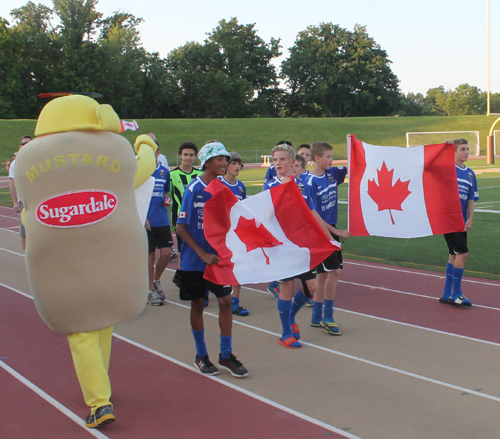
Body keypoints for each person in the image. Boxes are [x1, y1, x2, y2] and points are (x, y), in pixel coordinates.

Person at [176, 141, 248, 377]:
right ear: (207, 162)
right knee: (198, 304)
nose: (225, 163)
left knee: (226, 302)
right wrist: (202, 253)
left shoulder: (223, 189)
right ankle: (201, 355)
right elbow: (181, 227)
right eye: (220, 159)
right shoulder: (194, 188)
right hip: (195, 261)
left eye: (226, 159)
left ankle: (226, 355)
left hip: (218, 260)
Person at [263, 143, 331, 348]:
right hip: (282, 244)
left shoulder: (304, 185)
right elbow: (267, 215)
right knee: (286, 286)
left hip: (301, 243)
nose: (277, 163)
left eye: (282, 159)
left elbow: (312, 212)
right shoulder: (270, 185)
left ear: (293, 162)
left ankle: (291, 315)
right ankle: (285, 333)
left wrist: (328, 237)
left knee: (312, 287)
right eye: (275, 160)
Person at [304, 141, 350, 336]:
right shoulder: (310, 182)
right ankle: (328, 316)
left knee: (324, 274)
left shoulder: (332, 174)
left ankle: (316, 315)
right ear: (317, 158)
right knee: (335, 272)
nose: (332, 160)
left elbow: (354, 167)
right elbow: (313, 215)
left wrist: (354, 146)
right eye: (328, 157)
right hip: (320, 232)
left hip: (331, 229)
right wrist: (335, 233)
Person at [439, 139, 479, 306]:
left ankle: (447, 294)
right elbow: (431, 165)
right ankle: (457, 294)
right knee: (463, 254)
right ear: (454, 152)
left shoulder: (470, 173)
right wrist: (443, 148)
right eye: (462, 149)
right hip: (448, 218)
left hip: (461, 220)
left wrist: (470, 218)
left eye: (468, 149)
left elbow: (471, 198)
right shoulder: (447, 169)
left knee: (454, 255)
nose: (466, 152)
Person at [219, 152, 249, 316]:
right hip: (220, 233)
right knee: (218, 265)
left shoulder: (241, 187)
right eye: (234, 163)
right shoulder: (218, 183)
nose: (237, 167)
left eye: (239, 164)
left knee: (238, 265)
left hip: (236, 233)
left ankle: (234, 302)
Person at [170, 142, 203, 287]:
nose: (188, 158)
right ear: (180, 156)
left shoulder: (200, 175)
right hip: (181, 221)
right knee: (185, 250)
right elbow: (167, 198)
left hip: (199, 221)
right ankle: (183, 278)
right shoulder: (172, 175)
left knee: (198, 250)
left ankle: (180, 276)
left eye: (191, 155)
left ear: (195, 157)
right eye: (185, 155)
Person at [145, 142, 174, 306]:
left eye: (154, 152)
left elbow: (166, 191)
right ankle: (150, 291)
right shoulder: (141, 172)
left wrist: (166, 198)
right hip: (147, 221)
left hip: (162, 219)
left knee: (165, 254)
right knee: (150, 256)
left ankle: (156, 280)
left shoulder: (164, 172)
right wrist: (144, 217)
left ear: (158, 153)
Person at [9, 135, 32, 250]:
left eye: (29, 143)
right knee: (25, 232)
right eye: (24, 144)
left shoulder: (36, 160)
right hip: (22, 201)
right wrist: (15, 202)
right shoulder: (15, 163)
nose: (27, 146)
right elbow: (12, 182)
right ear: (20, 146)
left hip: (34, 200)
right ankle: (27, 256)